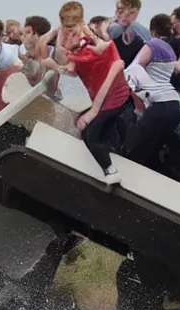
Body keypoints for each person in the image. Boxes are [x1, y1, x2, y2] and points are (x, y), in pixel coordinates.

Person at [56, 1, 134, 186]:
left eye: (71, 31)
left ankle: (111, 172)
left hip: (115, 98)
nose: (68, 36)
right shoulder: (81, 44)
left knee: (88, 133)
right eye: (66, 31)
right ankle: (114, 171)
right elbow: (69, 63)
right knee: (105, 136)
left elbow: (117, 65)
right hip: (111, 98)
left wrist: (93, 112)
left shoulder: (93, 45)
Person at [123, 14, 180, 174]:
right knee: (153, 154)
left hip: (159, 105)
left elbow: (134, 70)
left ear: (152, 30)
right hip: (174, 106)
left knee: (134, 151)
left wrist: (139, 102)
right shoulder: (171, 51)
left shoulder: (152, 44)